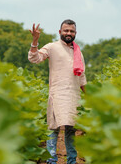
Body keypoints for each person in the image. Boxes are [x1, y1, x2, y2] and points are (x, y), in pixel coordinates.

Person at [28, 19, 86, 164]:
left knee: (70, 130)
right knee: (53, 129)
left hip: (73, 95)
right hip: (57, 94)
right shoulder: (52, 47)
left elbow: (82, 78)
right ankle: (51, 160)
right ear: (60, 32)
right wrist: (35, 40)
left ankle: (71, 161)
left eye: (71, 31)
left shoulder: (78, 52)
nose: (69, 33)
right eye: (66, 30)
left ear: (75, 33)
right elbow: (34, 58)